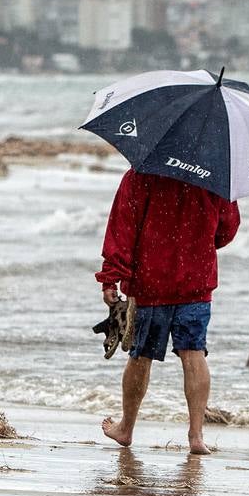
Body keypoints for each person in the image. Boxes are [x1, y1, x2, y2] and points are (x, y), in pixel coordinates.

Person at [95, 168, 240, 455]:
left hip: (151, 281)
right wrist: (195, 243)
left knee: (141, 355)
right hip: (196, 281)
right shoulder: (216, 174)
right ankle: (196, 436)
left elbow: (123, 228)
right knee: (193, 353)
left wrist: (111, 276)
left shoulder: (141, 173)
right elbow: (227, 229)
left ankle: (126, 428)